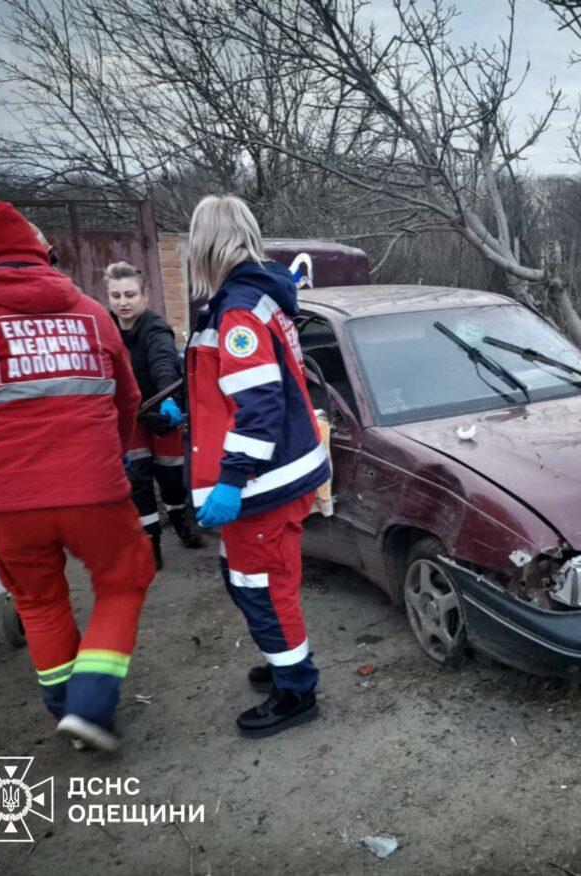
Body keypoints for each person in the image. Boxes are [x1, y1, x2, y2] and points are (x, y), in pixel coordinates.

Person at [0, 201, 156, 751]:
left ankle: (66, 710)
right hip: (94, 492)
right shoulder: (93, 315)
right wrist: (107, 457)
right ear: (43, 255)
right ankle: (90, 705)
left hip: (5, 501)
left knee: (39, 601)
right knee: (124, 579)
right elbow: (128, 402)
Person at [186, 194, 331, 738]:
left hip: (258, 483)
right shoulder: (257, 297)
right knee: (261, 581)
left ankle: (296, 689)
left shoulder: (239, 308)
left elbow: (259, 402)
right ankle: (286, 665)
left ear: (206, 244)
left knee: (263, 587)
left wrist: (229, 477)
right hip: (275, 476)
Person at [105, 261, 203, 567]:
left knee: (172, 474)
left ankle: (181, 522)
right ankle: (150, 542)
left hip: (161, 411)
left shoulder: (155, 327)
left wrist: (168, 399)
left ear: (144, 296)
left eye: (130, 294)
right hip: (129, 416)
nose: (123, 302)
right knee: (138, 479)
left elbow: (163, 362)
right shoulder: (105, 328)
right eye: (116, 295)